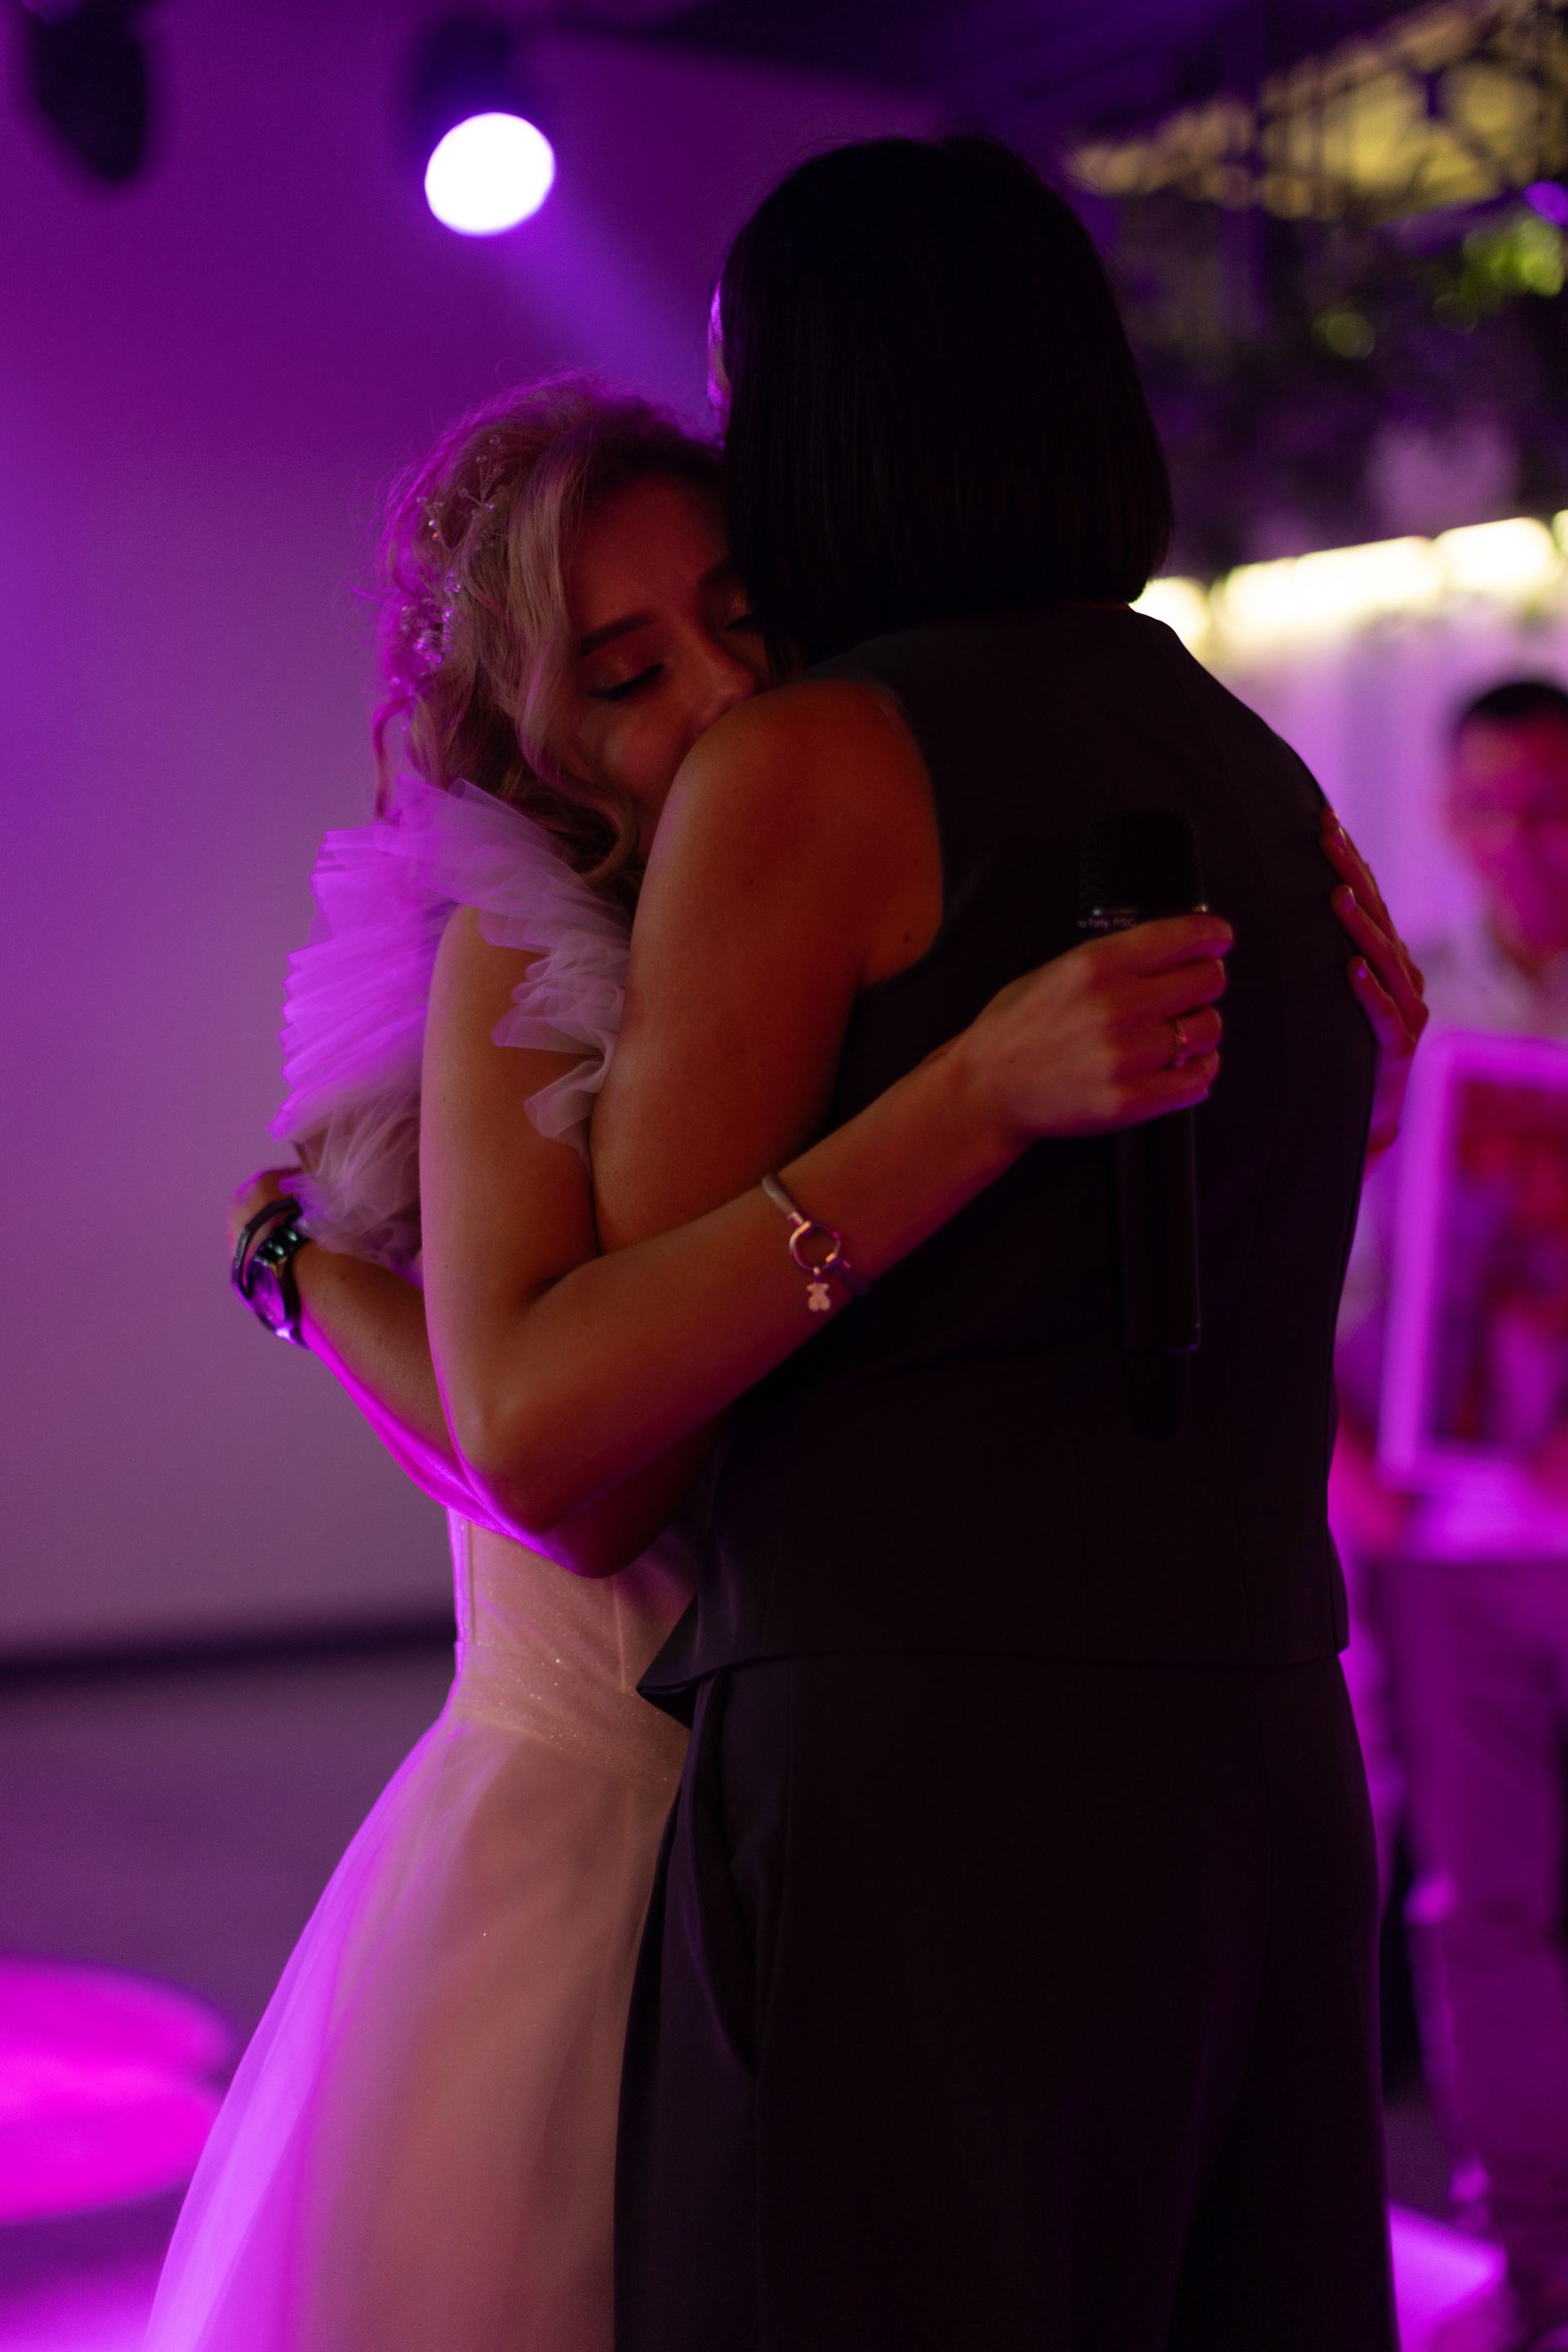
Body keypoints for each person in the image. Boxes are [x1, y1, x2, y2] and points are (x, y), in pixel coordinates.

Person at [408, 137, 1427, 2350]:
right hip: (1259, 1768)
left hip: (925, 1788)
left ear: (826, 414)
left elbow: (586, 1442)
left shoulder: (815, 767)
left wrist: (313, 1270)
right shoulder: (1252, 767)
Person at [149, 371, 1258, 2351]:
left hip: (837, 1815)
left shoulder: (829, 886)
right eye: (630, 673)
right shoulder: (528, 947)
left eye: (744, 618)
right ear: (532, 734)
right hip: (595, 1831)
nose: (728, 694)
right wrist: (291, 1263)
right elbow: (553, 1466)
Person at [1335, 677, 1568, 2352]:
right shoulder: (1397, 1005)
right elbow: (1316, 1267)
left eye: (1550, 809)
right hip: (1449, 1541)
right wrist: (1345, 1454)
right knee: (1484, 1902)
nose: (1522, 844)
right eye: (1491, 810)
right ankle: (1540, 2256)